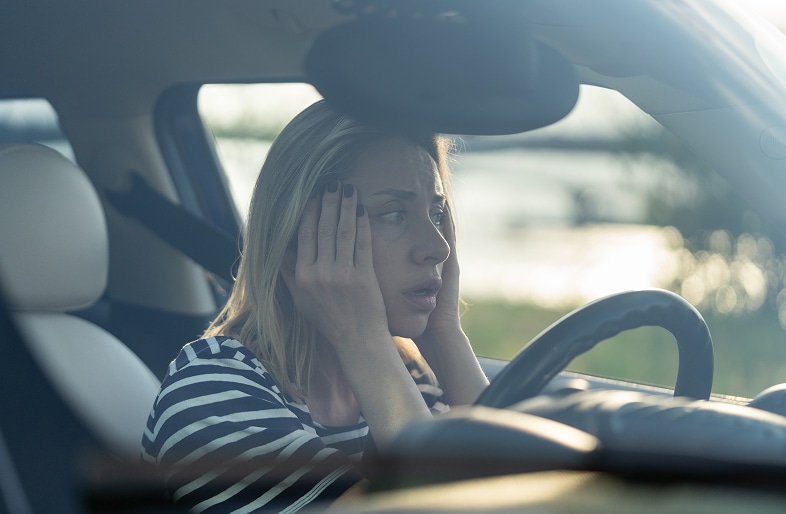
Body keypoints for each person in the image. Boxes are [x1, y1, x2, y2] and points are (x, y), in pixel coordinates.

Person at [141, 100, 489, 512]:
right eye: (394, 213)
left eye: (435, 213)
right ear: (299, 243)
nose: (439, 247)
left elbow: (540, 494)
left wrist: (445, 331)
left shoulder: (412, 379)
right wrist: (362, 340)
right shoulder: (210, 393)